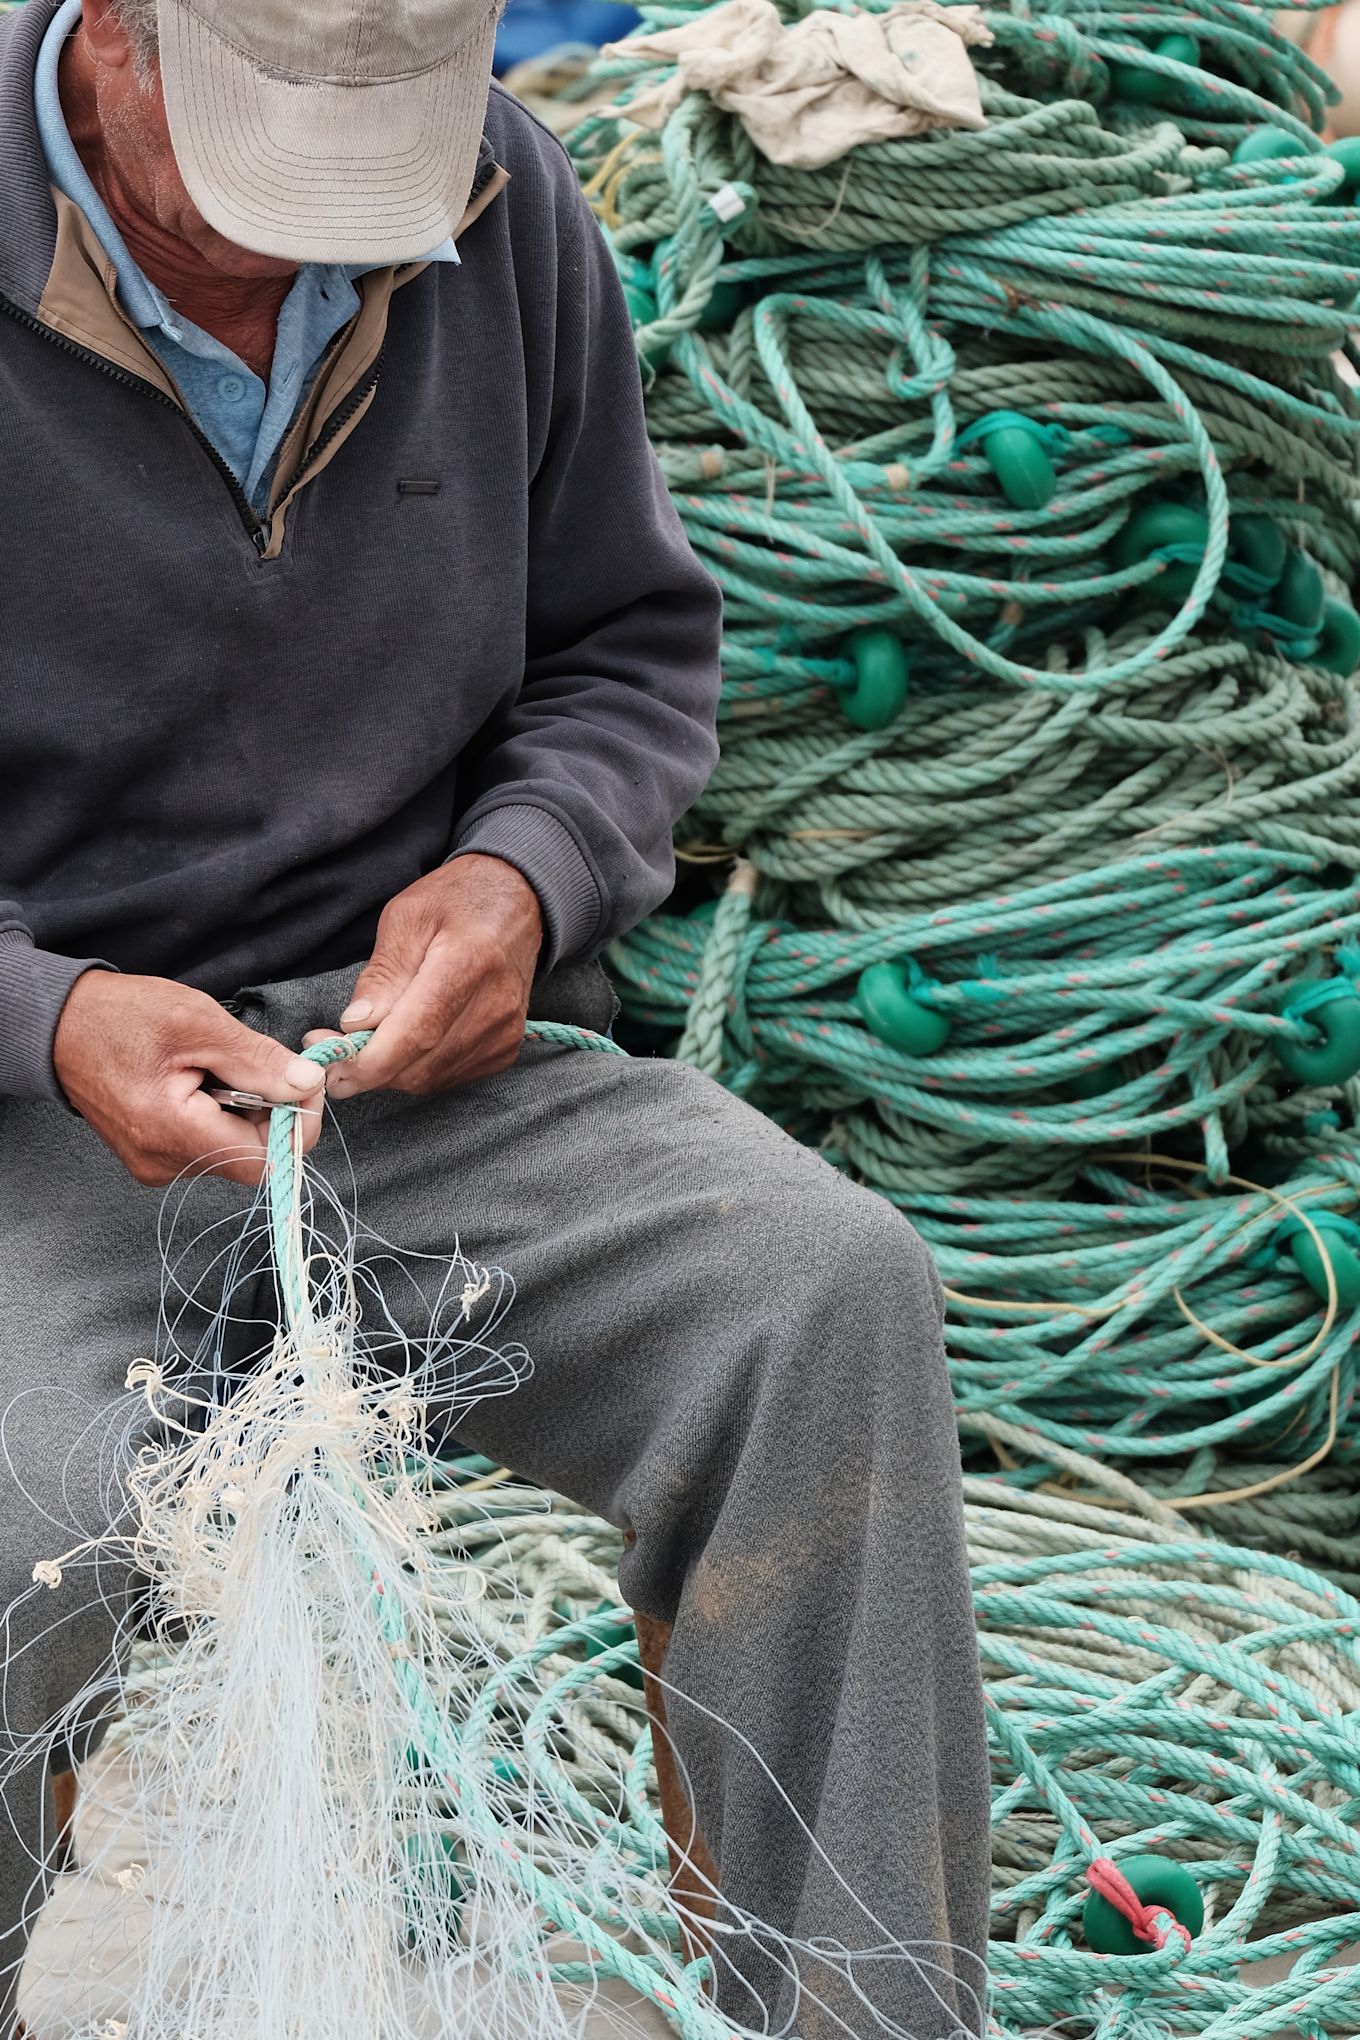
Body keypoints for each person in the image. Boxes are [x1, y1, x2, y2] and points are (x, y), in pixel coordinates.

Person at [0, 0, 989, 2031]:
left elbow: (624, 651)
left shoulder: (498, 204)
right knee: (32, 1510)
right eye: (246, 185)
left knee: (817, 1297)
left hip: (413, 1076)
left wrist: (521, 878)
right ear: (110, 36)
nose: (301, 256)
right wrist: (49, 1009)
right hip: (34, 1109)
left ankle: (859, 2017)